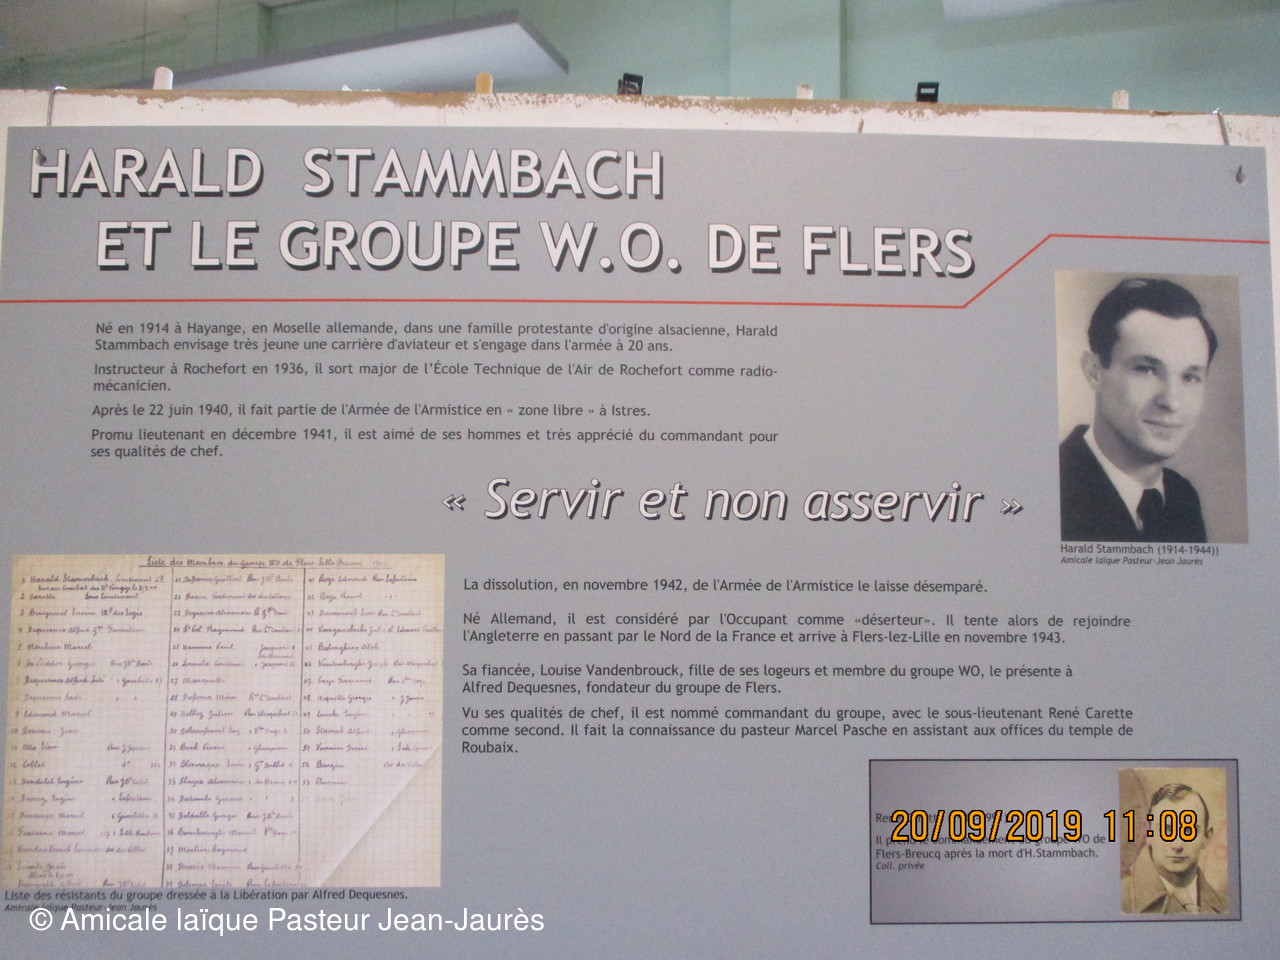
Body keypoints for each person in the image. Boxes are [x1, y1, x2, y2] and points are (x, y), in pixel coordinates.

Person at [1060, 277, 1216, 541]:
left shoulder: (1182, 498)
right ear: (1094, 371)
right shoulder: (1056, 487)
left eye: (1190, 377)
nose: (1172, 402)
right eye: (1146, 370)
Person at [1122, 782, 1226, 914]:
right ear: (1148, 833)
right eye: (1166, 830)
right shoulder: (1121, 900)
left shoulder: (1226, 907)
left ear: (1207, 837)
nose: (1177, 845)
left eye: (1188, 831)